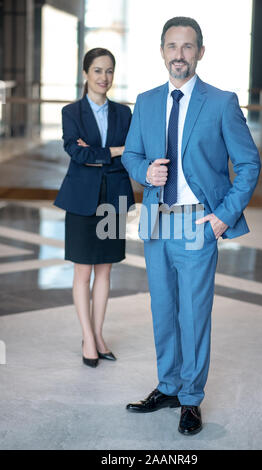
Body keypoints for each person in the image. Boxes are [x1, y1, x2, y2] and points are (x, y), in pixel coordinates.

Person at [121, 17, 261, 435]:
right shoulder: (145, 102)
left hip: (198, 224)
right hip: (157, 224)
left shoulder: (220, 102)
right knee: (163, 312)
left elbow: (249, 164)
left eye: (187, 47)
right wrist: (146, 171)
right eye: (171, 46)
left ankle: (191, 399)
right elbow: (130, 155)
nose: (178, 54)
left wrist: (222, 216)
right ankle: (167, 386)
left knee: (193, 315)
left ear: (200, 52)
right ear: (161, 51)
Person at [54, 48, 135, 368]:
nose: (104, 77)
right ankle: (87, 337)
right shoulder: (71, 112)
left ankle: (99, 334)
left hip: (114, 198)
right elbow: (77, 153)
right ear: (85, 73)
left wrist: (103, 152)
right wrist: (114, 150)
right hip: (81, 200)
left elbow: (132, 153)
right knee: (82, 271)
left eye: (110, 71)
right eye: (98, 70)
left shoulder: (124, 113)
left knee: (105, 270)